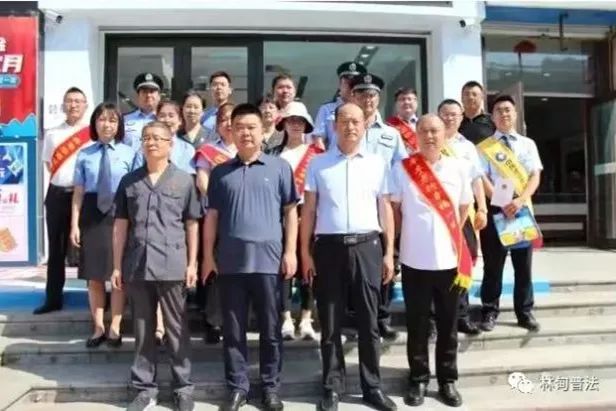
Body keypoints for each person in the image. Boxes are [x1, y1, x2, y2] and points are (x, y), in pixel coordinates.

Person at [301, 102, 397, 411]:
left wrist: (389, 253)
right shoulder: (318, 164)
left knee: (369, 321)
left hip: (368, 247)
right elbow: (309, 211)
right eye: (344, 121)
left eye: (356, 121)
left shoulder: (377, 164)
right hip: (328, 249)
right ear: (334, 125)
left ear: (365, 125)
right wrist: (305, 253)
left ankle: (372, 387)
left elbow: (385, 209)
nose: (350, 126)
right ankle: (332, 386)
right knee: (330, 322)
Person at [202, 103, 299, 411]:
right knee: (233, 331)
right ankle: (237, 387)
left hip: (269, 263)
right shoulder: (220, 172)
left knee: (271, 330)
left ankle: (270, 387)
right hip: (231, 263)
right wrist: (207, 256)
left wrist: (291, 251)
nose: (245, 133)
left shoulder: (279, 167)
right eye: (240, 127)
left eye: (251, 127)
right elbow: (212, 217)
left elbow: (291, 212)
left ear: (262, 131)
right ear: (230, 131)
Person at [113, 120, 201, 411]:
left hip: (173, 264)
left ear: (170, 144)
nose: (151, 142)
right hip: (138, 264)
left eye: (158, 138)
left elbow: (192, 224)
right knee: (142, 328)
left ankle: (183, 387)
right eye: (146, 138)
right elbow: (120, 226)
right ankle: (144, 389)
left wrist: (192, 263)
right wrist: (116, 266)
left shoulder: (184, 181)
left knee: (176, 328)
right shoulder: (129, 182)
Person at [390, 114, 472, 408]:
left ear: (445, 134)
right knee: (417, 323)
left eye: (435, 130)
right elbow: (395, 211)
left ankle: (447, 379)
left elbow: (464, 208)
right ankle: (418, 378)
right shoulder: (403, 168)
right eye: (423, 131)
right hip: (414, 259)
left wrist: (450, 236)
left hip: (449, 261)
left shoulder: (458, 168)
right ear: (416, 135)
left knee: (448, 324)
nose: (430, 136)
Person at [70, 102, 134, 348]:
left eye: (113, 120)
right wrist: (74, 224)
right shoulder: (84, 154)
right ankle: (98, 327)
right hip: (91, 215)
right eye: (102, 119)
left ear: (119, 125)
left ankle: (115, 326)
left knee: (118, 274)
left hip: (120, 214)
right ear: (94, 123)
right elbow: (78, 192)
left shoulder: (130, 153)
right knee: (94, 275)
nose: (107, 125)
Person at [477, 94, 543, 333]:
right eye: (499, 110)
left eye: (508, 110)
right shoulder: (485, 147)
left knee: (523, 266)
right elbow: (482, 178)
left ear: (515, 114)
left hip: (521, 209)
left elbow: (535, 175)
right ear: (492, 117)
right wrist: (502, 200)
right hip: (497, 208)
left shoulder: (528, 144)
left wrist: (520, 200)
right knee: (493, 266)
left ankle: (524, 312)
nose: (504, 114)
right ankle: (489, 311)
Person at [350, 73, 407, 341]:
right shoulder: (344, 127)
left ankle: (382, 317)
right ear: (353, 97)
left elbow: (402, 168)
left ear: (378, 98)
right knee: (354, 262)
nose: (367, 99)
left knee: (387, 257)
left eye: (372, 95)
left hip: (384, 204)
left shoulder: (391, 134)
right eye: (362, 94)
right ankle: (355, 316)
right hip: (353, 202)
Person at [268, 101, 322, 341]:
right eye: (291, 121)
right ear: (284, 124)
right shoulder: (273, 154)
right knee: (284, 266)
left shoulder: (317, 154)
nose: (296, 125)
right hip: (280, 216)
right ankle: (286, 318)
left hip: (310, 214)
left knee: (308, 266)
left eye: (300, 121)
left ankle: (307, 318)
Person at [35, 87, 90, 315]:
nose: (73, 105)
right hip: (58, 194)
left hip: (86, 197)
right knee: (56, 249)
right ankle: (53, 298)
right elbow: (50, 165)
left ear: (85, 105)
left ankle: (96, 299)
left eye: (78, 101)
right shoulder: (53, 134)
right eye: (69, 101)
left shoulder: (92, 133)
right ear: (63, 105)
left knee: (90, 248)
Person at [438, 99, 488, 335]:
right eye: (445, 114)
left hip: (463, 213)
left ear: (461, 118)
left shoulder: (467, 147)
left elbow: (476, 179)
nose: (449, 118)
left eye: (454, 115)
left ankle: (461, 315)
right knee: (434, 263)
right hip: (436, 213)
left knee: (464, 261)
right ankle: (434, 318)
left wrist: (482, 208)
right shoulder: (430, 141)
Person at [193, 102, 237, 344]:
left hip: (243, 218)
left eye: (233, 119)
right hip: (215, 216)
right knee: (213, 268)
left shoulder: (249, 148)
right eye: (224, 119)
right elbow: (202, 182)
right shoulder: (208, 151)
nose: (229, 124)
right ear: (217, 124)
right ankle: (213, 321)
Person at [312, 61, 366, 150]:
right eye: (347, 82)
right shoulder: (326, 109)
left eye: (354, 83)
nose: (350, 87)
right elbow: (318, 139)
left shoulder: (366, 110)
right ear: (339, 85)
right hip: (334, 156)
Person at [123, 73, 163, 149]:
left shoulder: (164, 120)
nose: (148, 95)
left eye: (152, 91)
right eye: (144, 92)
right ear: (138, 96)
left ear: (159, 96)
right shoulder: (125, 120)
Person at [386, 87, 420, 153]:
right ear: (396, 104)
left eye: (409, 99)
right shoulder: (389, 126)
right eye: (402, 99)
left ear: (416, 102)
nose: (406, 102)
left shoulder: (424, 124)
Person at [202, 71, 233, 136]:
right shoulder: (203, 116)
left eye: (223, 84)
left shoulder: (235, 114)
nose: (219, 87)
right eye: (215, 84)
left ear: (230, 90)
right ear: (210, 90)